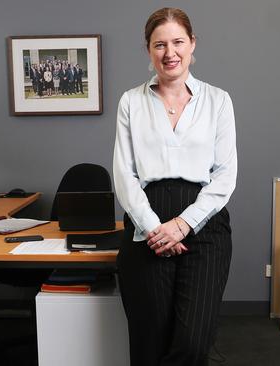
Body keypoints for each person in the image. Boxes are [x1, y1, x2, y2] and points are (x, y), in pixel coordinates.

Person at [113, 7, 237, 366]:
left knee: (194, 342)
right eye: (160, 44)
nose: (170, 53)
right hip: (145, 225)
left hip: (205, 223)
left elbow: (225, 175)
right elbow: (125, 173)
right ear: (149, 50)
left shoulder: (218, 100)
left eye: (178, 42)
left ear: (192, 43)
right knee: (149, 340)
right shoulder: (131, 102)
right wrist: (154, 228)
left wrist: (183, 224)